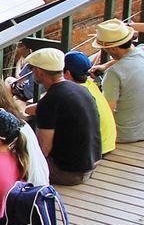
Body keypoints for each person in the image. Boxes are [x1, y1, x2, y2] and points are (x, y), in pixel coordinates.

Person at [24, 48, 101, 186]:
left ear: (39, 71)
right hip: (91, 164)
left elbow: (44, 150)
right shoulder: (81, 89)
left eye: (32, 68)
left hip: (69, 173)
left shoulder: (50, 100)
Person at [91, 19, 144, 143]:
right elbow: (129, 57)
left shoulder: (114, 73)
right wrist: (105, 66)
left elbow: (106, 112)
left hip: (126, 133)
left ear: (113, 49)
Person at [63, 51, 117, 156]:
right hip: (108, 143)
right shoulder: (90, 84)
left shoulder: (74, 93)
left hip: (96, 149)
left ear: (68, 74)